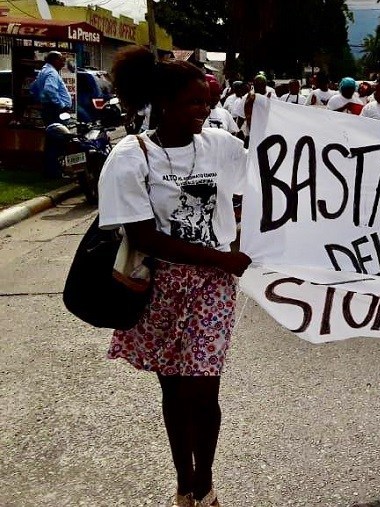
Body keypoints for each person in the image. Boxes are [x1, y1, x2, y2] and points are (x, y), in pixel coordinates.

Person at [100, 45, 252, 507]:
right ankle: (184, 483)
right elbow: (143, 236)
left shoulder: (220, 147)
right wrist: (221, 258)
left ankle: (204, 485)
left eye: (207, 101)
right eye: (193, 103)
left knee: (204, 388)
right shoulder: (131, 157)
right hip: (159, 286)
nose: (203, 110)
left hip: (211, 289)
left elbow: (266, 178)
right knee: (174, 388)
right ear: (164, 104)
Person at [32, 51, 72, 177]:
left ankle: (51, 169)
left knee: (51, 139)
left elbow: (33, 88)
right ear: (54, 60)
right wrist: (60, 105)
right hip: (55, 110)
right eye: (61, 60)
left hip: (48, 108)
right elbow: (49, 90)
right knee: (58, 139)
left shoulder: (43, 71)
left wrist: (41, 99)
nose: (63, 63)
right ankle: (54, 170)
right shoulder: (51, 72)